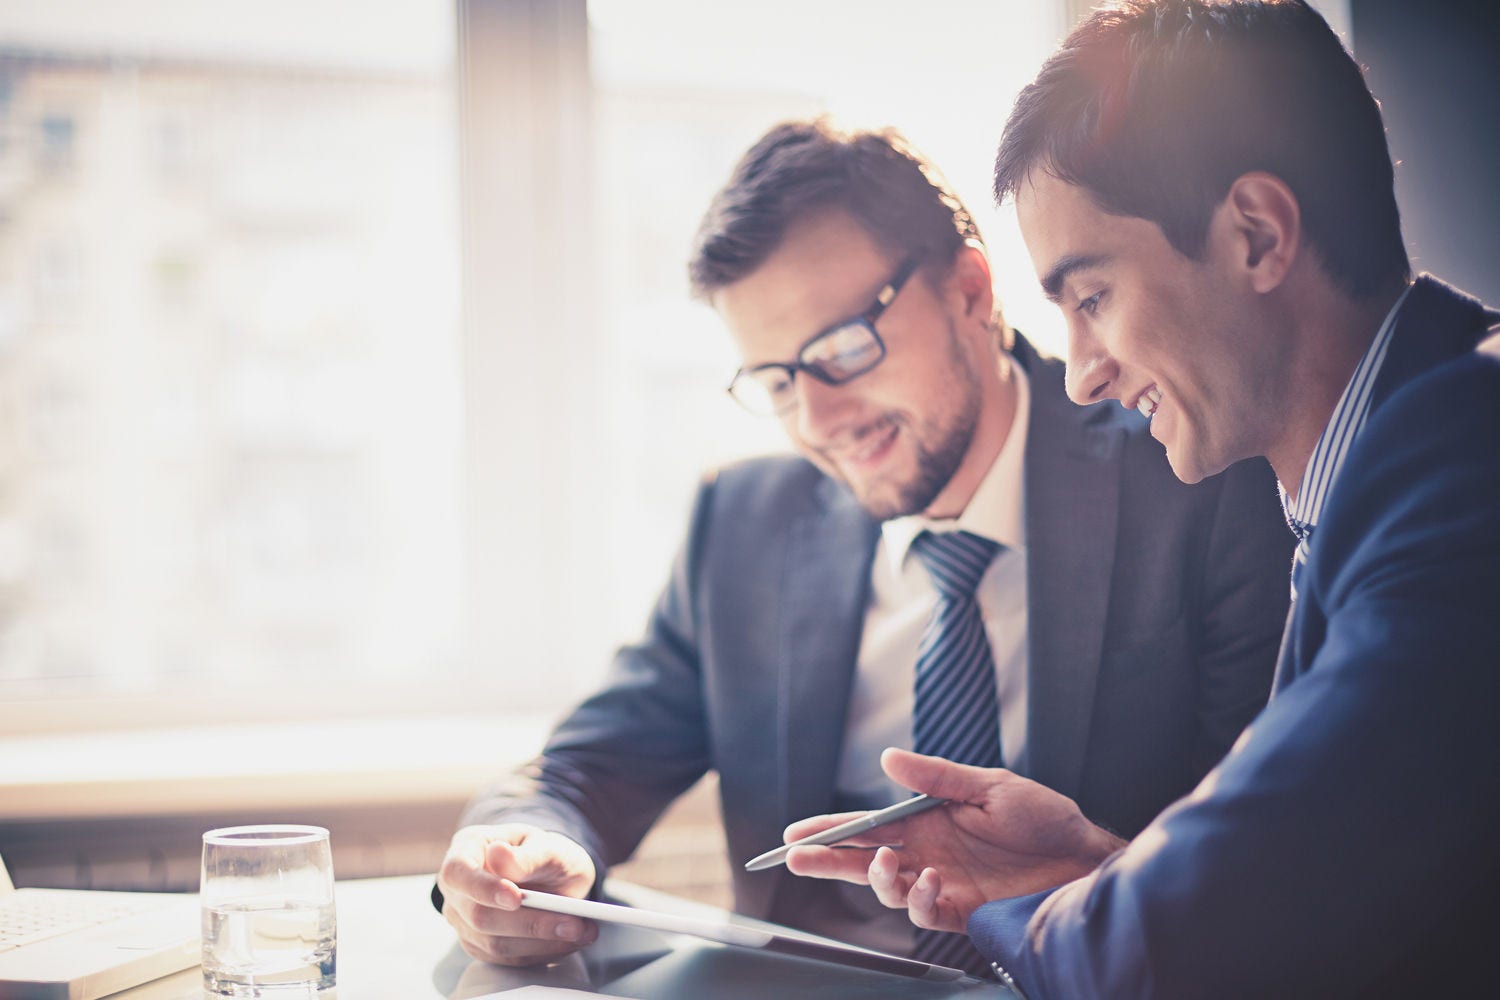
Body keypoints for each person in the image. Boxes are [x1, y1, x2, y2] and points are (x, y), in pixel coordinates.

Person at [434, 117, 1293, 974]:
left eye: (842, 349)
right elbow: (584, 766)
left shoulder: (1193, 476)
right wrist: (515, 850)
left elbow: (1261, 864)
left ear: (969, 290)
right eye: (776, 381)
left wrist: (1096, 864)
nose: (817, 420)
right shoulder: (742, 523)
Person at [782, 2, 1500, 997]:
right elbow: (1312, 906)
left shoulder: (1463, 458)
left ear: (1256, 233)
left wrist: (1004, 907)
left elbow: (1166, 950)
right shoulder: (1383, 466)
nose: (1081, 376)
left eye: (1092, 298)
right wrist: (1091, 866)